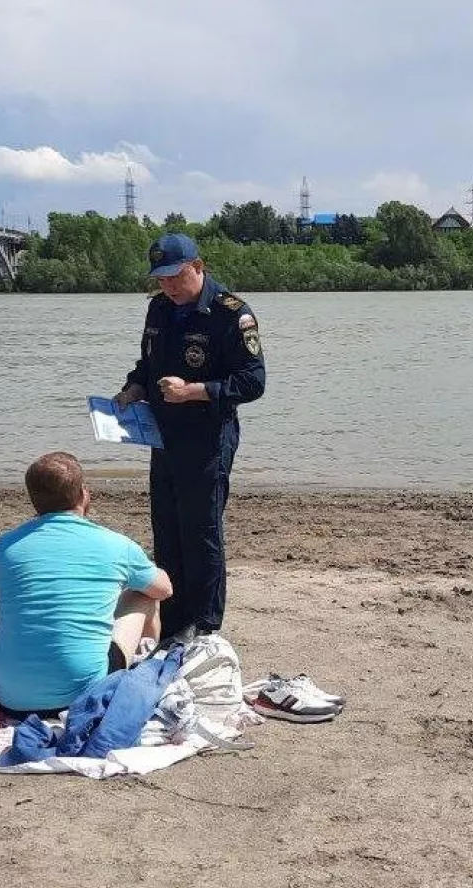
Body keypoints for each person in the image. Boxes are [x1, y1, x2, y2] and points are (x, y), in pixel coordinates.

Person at [112, 232, 265, 644]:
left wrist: (192, 391)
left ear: (198, 267)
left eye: (175, 277)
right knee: (167, 526)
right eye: (160, 279)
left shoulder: (232, 314)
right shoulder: (159, 310)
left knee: (200, 530)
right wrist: (132, 390)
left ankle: (203, 622)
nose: (168, 287)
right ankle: (173, 614)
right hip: (163, 436)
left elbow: (253, 382)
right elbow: (148, 364)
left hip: (208, 437)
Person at [0, 451, 173, 714]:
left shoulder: (5, 546)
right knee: (144, 595)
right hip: (81, 695)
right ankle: (147, 662)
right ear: (84, 494)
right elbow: (164, 589)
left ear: (34, 500)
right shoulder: (115, 544)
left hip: (8, 697)